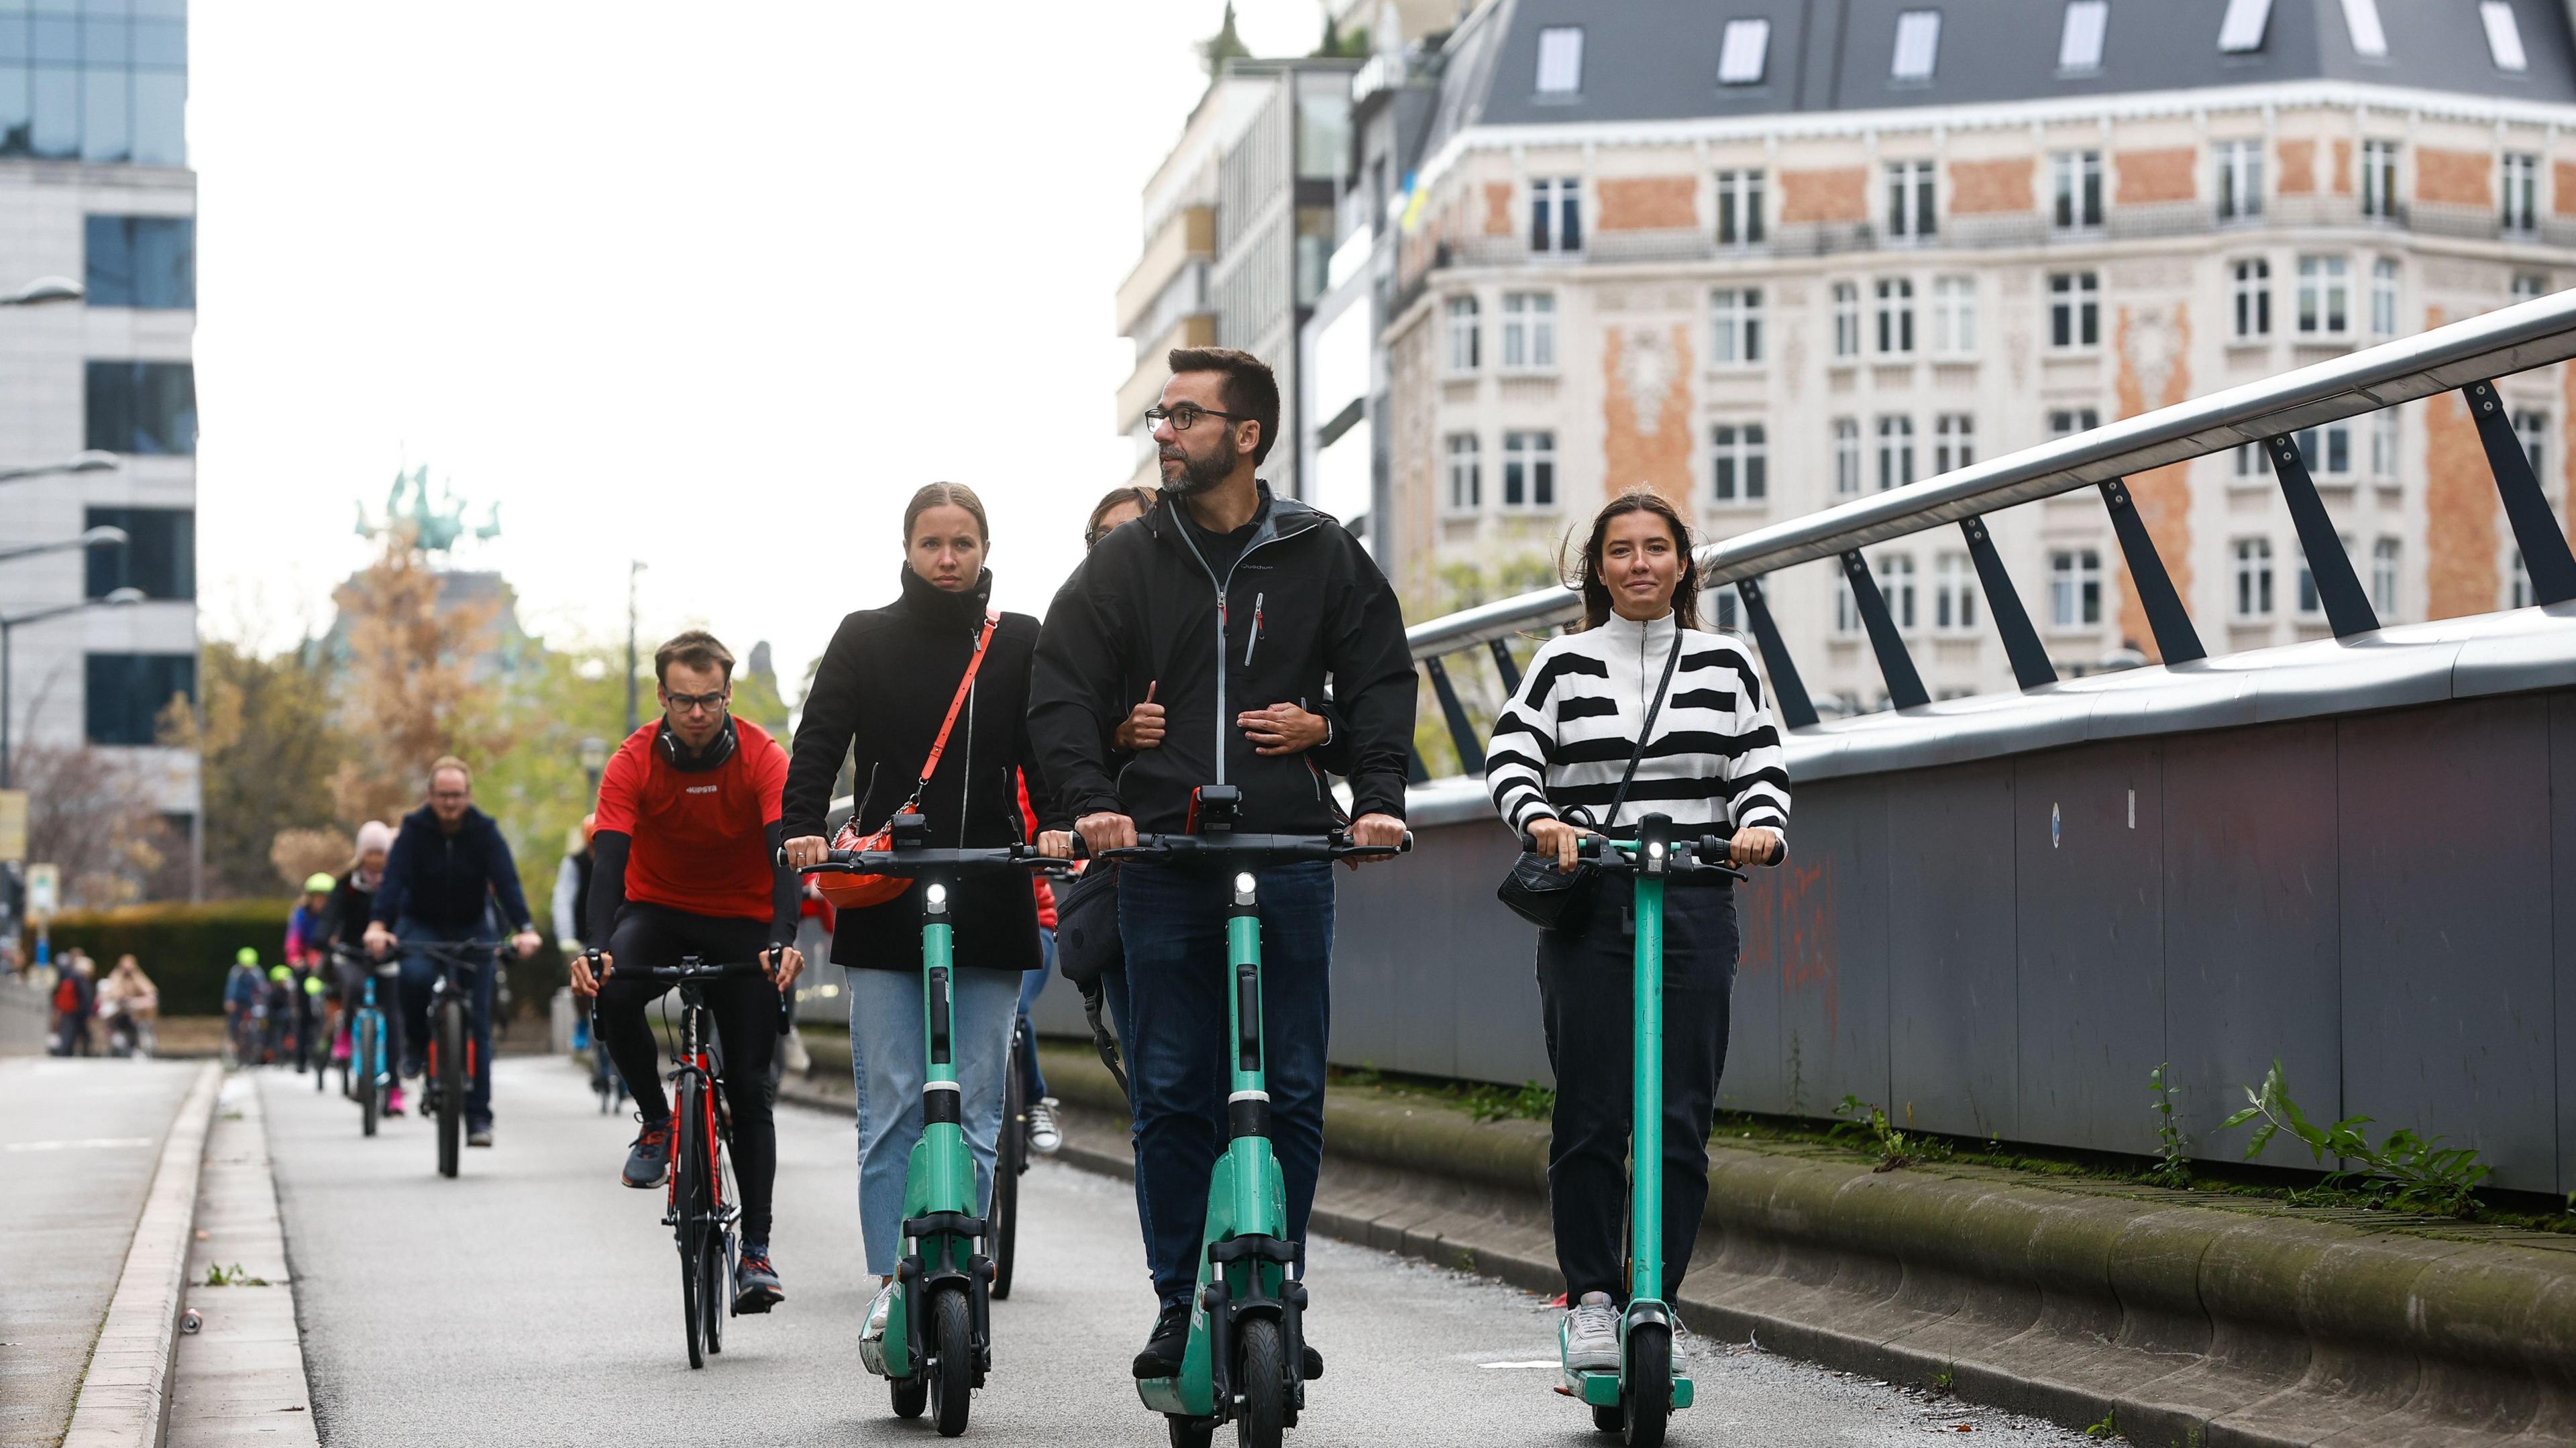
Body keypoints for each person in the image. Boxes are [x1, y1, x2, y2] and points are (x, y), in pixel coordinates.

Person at [1030, 346, 1415, 1381]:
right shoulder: (1125, 561)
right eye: (1159, 416)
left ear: (1246, 436)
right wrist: (1094, 802)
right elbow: (1061, 689)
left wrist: (1370, 790)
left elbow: (1381, 676)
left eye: (1185, 417)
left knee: (1291, 1086)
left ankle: (1276, 1282)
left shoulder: (1321, 552)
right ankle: (1174, 1299)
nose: (1163, 433)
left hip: (1287, 852)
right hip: (1160, 856)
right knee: (1170, 1089)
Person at [1482, 488, 1790, 1378]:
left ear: (1684, 563)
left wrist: (1758, 825)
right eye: (1622, 550)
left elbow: (1760, 758)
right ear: (1599, 568)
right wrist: (1542, 817)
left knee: (1681, 1117)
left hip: (1693, 895)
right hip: (1595, 897)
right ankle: (1590, 1298)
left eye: (1658, 547)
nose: (1641, 563)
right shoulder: (1563, 662)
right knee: (1590, 1111)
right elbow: (1511, 753)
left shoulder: (1726, 662)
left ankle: (1658, 1292)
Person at [782, 482, 1048, 1355]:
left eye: (963, 542)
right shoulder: (865, 636)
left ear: (983, 548)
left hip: (990, 883)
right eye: (932, 541)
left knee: (974, 1107)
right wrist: (800, 830)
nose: (947, 557)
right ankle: (896, 1277)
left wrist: (1061, 825)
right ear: (906, 549)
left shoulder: (1018, 641)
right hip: (889, 888)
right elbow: (820, 739)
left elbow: (1047, 749)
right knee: (892, 1104)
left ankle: (957, 1261)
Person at [570, 630, 804, 1313]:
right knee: (613, 991)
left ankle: (756, 1253)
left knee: (752, 1089)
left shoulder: (763, 755)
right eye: (683, 700)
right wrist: (594, 945)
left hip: (744, 918)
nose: (697, 712)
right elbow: (608, 863)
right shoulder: (632, 760)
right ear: (663, 697)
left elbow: (784, 852)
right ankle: (655, 1120)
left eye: (709, 699)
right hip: (658, 908)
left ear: (728, 694)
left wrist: (783, 938)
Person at [363, 758, 543, 1147]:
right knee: (412, 977)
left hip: (471, 925)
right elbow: (393, 882)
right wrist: (379, 925)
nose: (449, 804)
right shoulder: (413, 831)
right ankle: (414, 1043)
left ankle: (479, 1117)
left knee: (479, 1022)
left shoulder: (484, 831)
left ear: (468, 796)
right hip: (420, 923)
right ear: (430, 796)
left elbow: (506, 881)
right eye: (443, 796)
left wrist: (525, 928)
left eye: (457, 796)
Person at [323, 822, 402, 1112]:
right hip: (352, 952)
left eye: (381, 853)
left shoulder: (397, 883)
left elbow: (406, 914)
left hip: (388, 956)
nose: (376, 859)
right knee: (353, 987)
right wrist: (323, 939)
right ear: (361, 854)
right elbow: (330, 915)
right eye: (370, 853)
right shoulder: (347, 884)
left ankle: (395, 1089)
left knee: (393, 1018)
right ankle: (346, 1032)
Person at [284, 874, 335, 1071]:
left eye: (325, 897)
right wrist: (296, 959)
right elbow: (293, 941)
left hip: (329, 964)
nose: (321, 901)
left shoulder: (335, 916)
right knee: (303, 1013)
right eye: (317, 896)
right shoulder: (301, 915)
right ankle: (301, 1058)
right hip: (307, 965)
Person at [96, 954, 157, 1057]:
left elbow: (150, 991)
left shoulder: (137, 976)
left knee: (143, 1020)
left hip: (134, 1011)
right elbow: (114, 993)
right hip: (118, 1011)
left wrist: (135, 976)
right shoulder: (116, 976)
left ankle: (141, 1044)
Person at [223, 946, 266, 1065]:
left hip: (252, 1003)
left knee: (259, 1024)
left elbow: (262, 989)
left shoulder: (257, 972)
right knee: (234, 1026)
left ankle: (257, 1048)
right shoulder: (236, 972)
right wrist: (230, 1001)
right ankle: (234, 1047)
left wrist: (261, 1001)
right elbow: (231, 988)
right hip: (238, 1003)